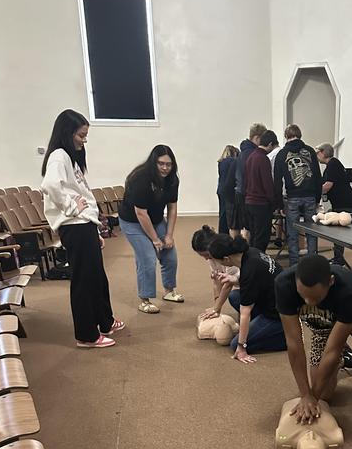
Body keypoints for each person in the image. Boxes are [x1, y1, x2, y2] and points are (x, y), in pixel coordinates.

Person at [41, 109, 124, 348]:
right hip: (74, 226)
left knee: (97, 277)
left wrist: (95, 230)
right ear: (67, 133)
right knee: (84, 280)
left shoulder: (70, 158)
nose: (84, 140)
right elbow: (49, 186)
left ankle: (105, 322)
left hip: (84, 225)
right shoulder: (59, 156)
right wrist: (71, 207)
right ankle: (86, 335)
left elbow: (82, 193)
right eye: (81, 135)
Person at [275, 254, 352, 422]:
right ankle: (346, 360)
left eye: (315, 298)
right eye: (303, 296)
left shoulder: (349, 287)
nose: (309, 302)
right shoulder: (284, 284)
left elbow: (333, 349)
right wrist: (307, 394)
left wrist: (312, 397)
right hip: (322, 326)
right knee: (325, 395)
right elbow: (294, 344)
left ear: (330, 281)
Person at [119, 145, 184, 314]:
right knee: (147, 258)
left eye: (168, 164)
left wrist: (169, 235)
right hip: (132, 221)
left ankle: (169, 291)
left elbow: (172, 208)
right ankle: (145, 300)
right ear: (153, 163)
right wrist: (155, 240)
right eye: (161, 163)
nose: (165, 168)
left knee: (170, 254)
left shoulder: (172, 180)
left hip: (155, 219)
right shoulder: (140, 178)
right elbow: (140, 213)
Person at [208, 234, 286, 363]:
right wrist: (235, 279)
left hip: (278, 316)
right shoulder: (250, 252)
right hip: (272, 299)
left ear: (226, 259)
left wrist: (241, 347)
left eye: (218, 260)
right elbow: (259, 276)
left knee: (235, 345)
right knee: (234, 296)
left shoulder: (250, 271)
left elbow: (245, 313)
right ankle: (260, 329)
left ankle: (283, 337)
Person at [274, 125, 322, 266]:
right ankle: (312, 262)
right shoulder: (310, 151)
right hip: (310, 196)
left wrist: (279, 204)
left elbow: (277, 182)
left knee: (292, 232)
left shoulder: (281, 154)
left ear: (286, 136)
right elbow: (318, 177)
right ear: (300, 135)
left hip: (292, 197)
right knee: (311, 231)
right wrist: (317, 198)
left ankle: (294, 264)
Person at [316, 143, 352, 264]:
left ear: (324, 153)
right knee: (337, 232)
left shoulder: (333, 164)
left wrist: (314, 192)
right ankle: (338, 258)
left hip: (344, 202)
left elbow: (328, 185)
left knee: (339, 232)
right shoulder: (332, 164)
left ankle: (339, 260)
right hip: (340, 201)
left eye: (317, 152)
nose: (316, 155)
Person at [228, 122, 267, 239]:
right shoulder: (253, 153)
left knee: (240, 225)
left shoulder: (243, 152)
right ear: (256, 138)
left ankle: (240, 250)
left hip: (240, 191)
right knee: (249, 227)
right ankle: (245, 252)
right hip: (247, 194)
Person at [191, 224, 239, 319]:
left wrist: (216, 308)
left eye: (206, 255)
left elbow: (228, 285)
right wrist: (217, 308)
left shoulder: (228, 255)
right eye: (202, 256)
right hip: (241, 283)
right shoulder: (211, 258)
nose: (206, 259)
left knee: (234, 297)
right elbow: (217, 281)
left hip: (252, 286)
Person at [244, 129, 278, 252]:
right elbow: (267, 184)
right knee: (262, 238)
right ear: (269, 144)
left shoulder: (251, 157)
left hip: (249, 202)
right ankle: (258, 263)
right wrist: (274, 202)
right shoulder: (263, 159)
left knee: (254, 236)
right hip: (261, 204)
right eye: (273, 147)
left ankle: (252, 260)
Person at [217, 145, 239, 236]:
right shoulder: (233, 161)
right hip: (229, 190)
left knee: (222, 213)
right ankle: (226, 233)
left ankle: (221, 233)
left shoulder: (220, 162)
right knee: (230, 214)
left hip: (220, 189)